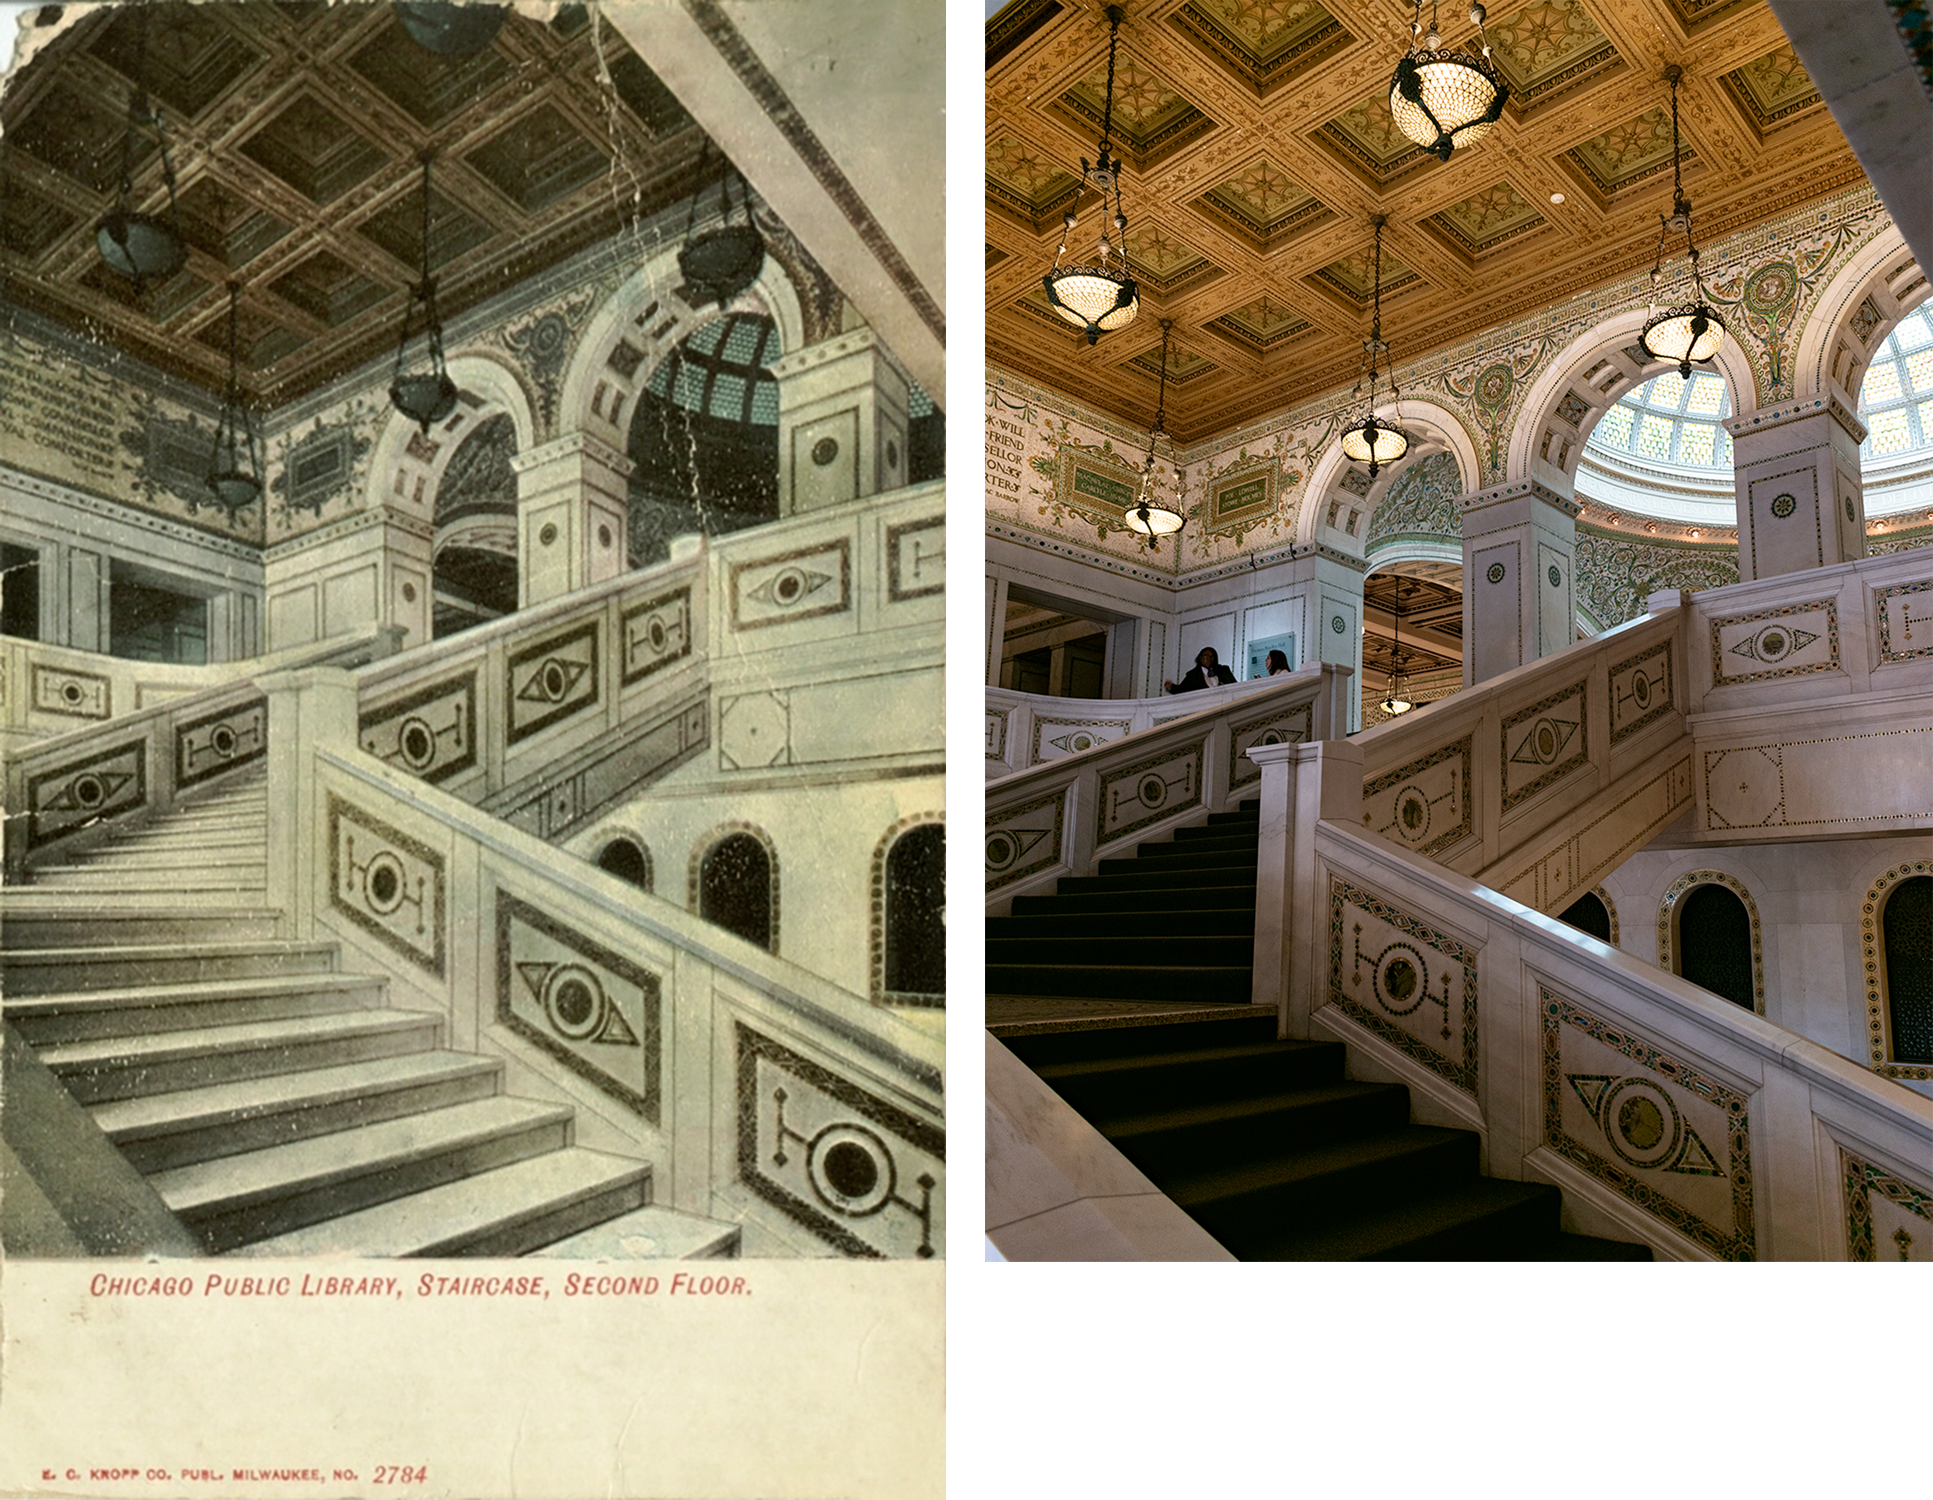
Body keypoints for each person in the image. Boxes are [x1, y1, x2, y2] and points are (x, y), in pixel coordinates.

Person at [1164, 647, 1237, 694]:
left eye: (1211, 657)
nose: (1208, 659)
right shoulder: (1193, 675)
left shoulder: (1223, 670)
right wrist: (1171, 687)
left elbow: (1235, 687)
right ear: (1200, 658)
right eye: (1206, 656)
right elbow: (1182, 690)